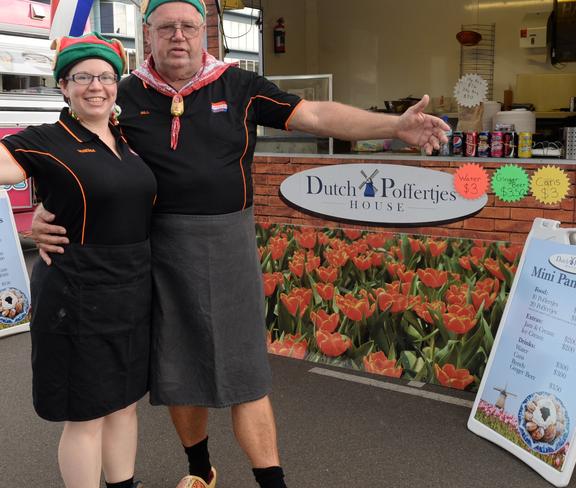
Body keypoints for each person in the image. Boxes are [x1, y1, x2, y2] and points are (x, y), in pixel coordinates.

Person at [31, 1, 450, 487]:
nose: (179, 36)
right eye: (166, 27)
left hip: (226, 244)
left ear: (205, 31)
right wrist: (47, 206)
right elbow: (74, 150)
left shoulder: (240, 86)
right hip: (156, 248)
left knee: (246, 375)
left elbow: (314, 113)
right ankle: (200, 471)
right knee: (177, 369)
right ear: (148, 35)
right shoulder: (123, 94)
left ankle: (273, 482)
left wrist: (392, 127)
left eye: (189, 25)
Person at [0, 33, 156, 488]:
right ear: (63, 87)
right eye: (82, 76)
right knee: (86, 414)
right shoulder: (47, 139)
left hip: (131, 292)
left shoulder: (127, 140)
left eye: (105, 76)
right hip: (76, 295)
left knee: (124, 403)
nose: (96, 86)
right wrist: (36, 222)